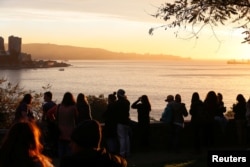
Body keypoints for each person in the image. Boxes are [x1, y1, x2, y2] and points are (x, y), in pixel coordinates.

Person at [59, 119, 127, 167]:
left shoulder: (69, 163)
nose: (70, 145)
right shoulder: (114, 161)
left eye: (73, 142)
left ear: (82, 144)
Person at [55, 92, 78, 159]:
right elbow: (77, 117)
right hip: (70, 131)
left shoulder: (59, 107)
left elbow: (55, 116)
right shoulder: (73, 107)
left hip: (60, 132)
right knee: (69, 150)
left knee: (61, 150)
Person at [114, 89, 131, 158]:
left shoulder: (117, 103)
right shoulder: (127, 102)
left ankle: (122, 153)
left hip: (120, 122)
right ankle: (128, 152)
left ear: (118, 95)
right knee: (127, 137)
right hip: (126, 122)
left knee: (121, 138)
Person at [41, 91, 57, 157]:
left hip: (48, 123)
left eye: (45, 96)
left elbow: (44, 115)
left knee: (48, 137)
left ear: (48, 97)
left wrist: (43, 122)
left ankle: (48, 152)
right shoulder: (54, 104)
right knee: (53, 137)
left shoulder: (45, 105)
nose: (44, 97)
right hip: (54, 123)